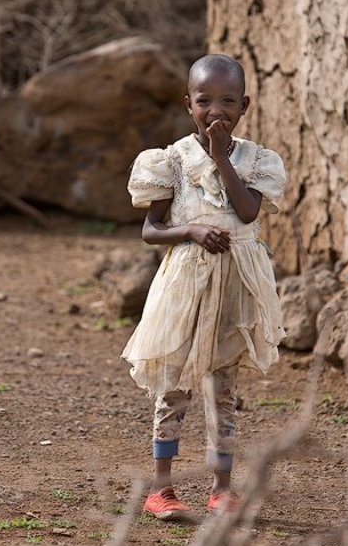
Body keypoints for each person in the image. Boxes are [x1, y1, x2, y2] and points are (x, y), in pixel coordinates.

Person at [122, 53, 287, 521]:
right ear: (187, 104)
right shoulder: (170, 161)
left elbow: (248, 212)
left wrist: (221, 158)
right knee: (173, 384)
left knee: (222, 388)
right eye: (205, 100)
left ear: (245, 104)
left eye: (228, 100)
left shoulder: (257, 161)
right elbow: (151, 230)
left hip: (236, 284)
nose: (217, 110)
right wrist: (191, 231)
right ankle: (162, 488)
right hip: (185, 286)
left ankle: (221, 489)